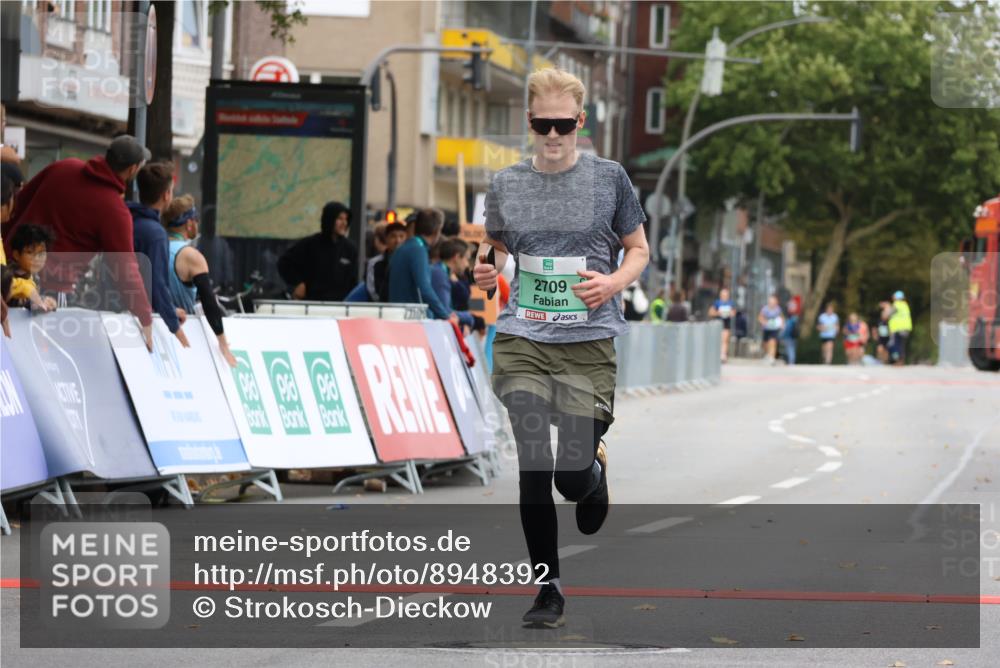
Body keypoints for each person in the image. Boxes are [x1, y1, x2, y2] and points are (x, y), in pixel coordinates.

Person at [473, 68, 649, 628]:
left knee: (567, 476)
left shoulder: (609, 178)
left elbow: (638, 249)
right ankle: (547, 591)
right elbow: (496, 248)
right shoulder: (506, 184)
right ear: (530, 123)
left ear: (581, 121)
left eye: (563, 125)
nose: (553, 136)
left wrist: (613, 283)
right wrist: (486, 269)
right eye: (543, 125)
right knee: (532, 462)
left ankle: (591, 474)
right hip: (524, 336)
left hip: (588, 343)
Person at [3, 135, 155, 350]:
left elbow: (15, 207)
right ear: (132, 169)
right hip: (51, 290)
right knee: (44, 358)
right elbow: (124, 269)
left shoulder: (64, 167)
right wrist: (145, 317)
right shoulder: (114, 210)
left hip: (9, 272)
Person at [161, 195, 237, 367]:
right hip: (183, 334)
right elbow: (209, 301)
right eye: (196, 219)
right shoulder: (191, 256)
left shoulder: (154, 248)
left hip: (155, 329)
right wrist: (223, 343)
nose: (197, 224)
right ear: (189, 223)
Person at [130, 161, 189, 346]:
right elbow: (157, 284)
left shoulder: (126, 219)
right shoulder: (155, 234)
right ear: (166, 195)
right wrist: (175, 326)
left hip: (116, 313)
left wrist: (170, 309)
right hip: (138, 323)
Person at [278, 201, 358, 302]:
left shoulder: (350, 249)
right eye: (340, 219)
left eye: (346, 219)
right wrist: (297, 283)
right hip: (311, 305)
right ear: (329, 219)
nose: (344, 223)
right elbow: (284, 263)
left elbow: (353, 282)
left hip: (339, 307)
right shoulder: (311, 244)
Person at [388, 208, 457, 322]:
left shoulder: (405, 247)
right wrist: (445, 315)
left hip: (400, 317)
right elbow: (425, 289)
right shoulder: (418, 250)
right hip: (410, 321)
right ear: (437, 231)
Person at [6, 224, 57, 311]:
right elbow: (11, 302)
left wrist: (45, 301)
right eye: (30, 252)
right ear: (16, 255)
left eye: (41, 253)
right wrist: (35, 303)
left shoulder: (33, 276)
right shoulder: (8, 276)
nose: (37, 259)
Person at [709, 287, 735, 362]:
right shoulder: (717, 303)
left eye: (726, 295)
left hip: (726, 324)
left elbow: (733, 312)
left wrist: (730, 313)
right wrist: (718, 313)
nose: (725, 296)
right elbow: (710, 312)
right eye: (723, 295)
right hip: (717, 324)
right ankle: (716, 354)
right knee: (717, 340)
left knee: (725, 340)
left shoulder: (730, 303)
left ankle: (723, 355)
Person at [887, 290, 912, 365]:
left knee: (896, 345)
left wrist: (887, 307)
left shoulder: (896, 304)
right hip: (906, 327)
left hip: (899, 328)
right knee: (901, 344)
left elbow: (888, 314)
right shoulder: (905, 304)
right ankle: (901, 360)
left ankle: (899, 361)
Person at [758, 295, 784, 364]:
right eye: (771, 301)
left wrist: (782, 324)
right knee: (765, 344)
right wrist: (763, 322)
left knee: (773, 342)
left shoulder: (778, 309)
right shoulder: (765, 309)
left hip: (774, 329)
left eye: (774, 302)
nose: (772, 303)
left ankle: (772, 357)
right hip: (766, 328)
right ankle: (767, 354)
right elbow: (760, 317)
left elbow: (781, 317)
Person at [781, 300, 800, 365]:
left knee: (790, 349)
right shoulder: (790, 318)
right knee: (789, 349)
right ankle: (790, 361)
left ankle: (791, 362)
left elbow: (789, 328)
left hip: (791, 336)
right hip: (788, 336)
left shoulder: (793, 318)